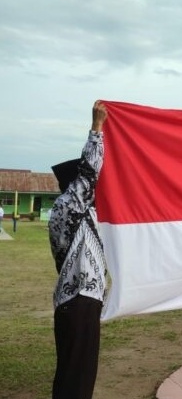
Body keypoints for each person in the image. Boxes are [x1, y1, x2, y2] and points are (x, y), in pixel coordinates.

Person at [49, 101, 108, 399]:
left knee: (71, 374)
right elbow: (89, 172)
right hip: (81, 300)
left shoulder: (64, 210)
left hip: (72, 302)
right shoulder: (73, 204)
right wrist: (97, 128)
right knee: (78, 380)